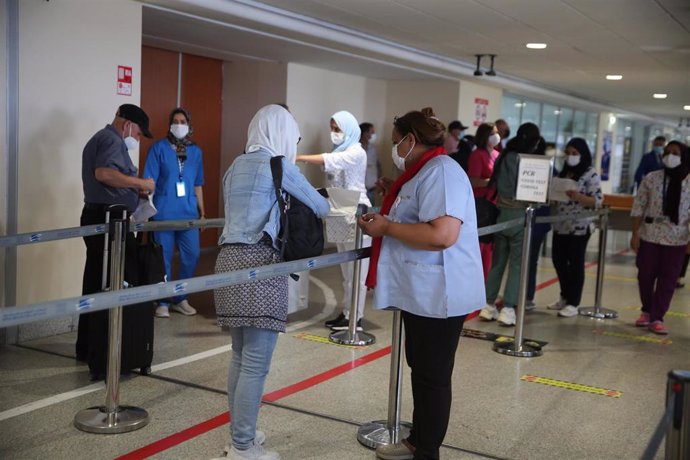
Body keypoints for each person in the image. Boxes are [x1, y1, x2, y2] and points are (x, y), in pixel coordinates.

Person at [358, 107, 484, 460]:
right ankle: (420, 437)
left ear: (412, 140)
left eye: (397, 142)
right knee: (423, 368)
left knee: (432, 374)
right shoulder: (422, 172)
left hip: (440, 293)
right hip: (422, 292)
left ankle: (426, 450)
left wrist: (385, 227)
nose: (393, 149)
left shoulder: (442, 172)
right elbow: (417, 217)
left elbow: (442, 234)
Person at [213, 105, 329, 460]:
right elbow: (320, 207)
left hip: (227, 261)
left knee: (239, 355)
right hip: (260, 264)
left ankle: (241, 434)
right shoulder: (278, 165)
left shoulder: (235, 166)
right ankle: (243, 446)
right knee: (255, 364)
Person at [76, 104, 155, 362]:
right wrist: (140, 183)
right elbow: (104, 173)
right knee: (118, 279)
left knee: (96, 279)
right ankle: (109, 349)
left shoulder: (101, 138)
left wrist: (135, 191)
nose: (138, 139)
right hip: (109, 220)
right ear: (128, 125)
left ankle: (90, 346)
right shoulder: (111, 139)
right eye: (139, 134)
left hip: (102, 216)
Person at [296, 111, 372, 331]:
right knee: (346, 272)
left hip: (357, 213)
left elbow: (331, 161)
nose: (334, 133)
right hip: (339, 212)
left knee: (357, 272)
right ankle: (347, 313)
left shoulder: (356, 152)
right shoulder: (338, 150)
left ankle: (355, 318)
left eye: (337, 129)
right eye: (332, 128)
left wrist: (298, 157)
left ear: (349, 129)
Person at [144, 108, 205, 318]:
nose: (179, 124)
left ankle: (181, 297)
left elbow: (198, 184)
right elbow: (149, 182)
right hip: (163, 213)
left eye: (182, 121)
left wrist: (202, 212)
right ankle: (162, 300)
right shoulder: (158, 148)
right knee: (164, 258)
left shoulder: (196, 152)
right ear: (170, 124)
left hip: (188, 213)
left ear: (189, 125)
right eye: (175, 121)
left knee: (192, 255)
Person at [479, 123, 541, 326]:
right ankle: (507, 308)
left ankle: (488, 305)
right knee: (516, 264)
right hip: (520, 216)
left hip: (501, 215)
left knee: (497, 262)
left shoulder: (505, 155)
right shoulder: (527, 161)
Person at [630, 141, 690, 335]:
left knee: (668, 279)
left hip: (677, 238)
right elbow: (639, 206)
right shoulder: (652, 178)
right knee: (645, 275)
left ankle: (657, 317)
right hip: (650, 235)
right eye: (666, 152)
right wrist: (635, 234)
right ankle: (647, 310)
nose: (669, 156)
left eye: (675, 153)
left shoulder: (688, 181)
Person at [548, 138, 603, 317]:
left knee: (575, 263)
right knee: (559, 261)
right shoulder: (563, 173)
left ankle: (573, 302)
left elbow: (597, 201)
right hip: (560, 225)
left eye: (575, 153)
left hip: (579, 227)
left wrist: (578, 196)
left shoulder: (590, 174)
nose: (570, 157)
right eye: (568, 153)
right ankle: (564, 296)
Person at [467, 122, 501, 280]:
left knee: (489, 246)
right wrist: (490, 182)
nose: (496, 136)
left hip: (494, 203)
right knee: (479, 243)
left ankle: (485, 279)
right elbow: (473, 180)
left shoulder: (496, 154)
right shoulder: (477, 155)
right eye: (492, 133)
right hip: (480, 202)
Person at [360, 122, 381, 205]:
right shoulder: (355, 149)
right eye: (372, 132)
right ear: (365, 133)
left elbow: (378, 166)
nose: (374, 135)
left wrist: (378, 183)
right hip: (358, 190)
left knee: (369, 213)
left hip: (371, 189)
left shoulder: (373, 149)